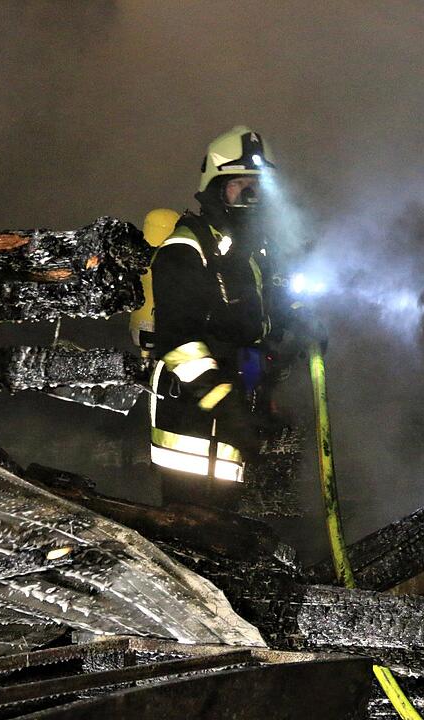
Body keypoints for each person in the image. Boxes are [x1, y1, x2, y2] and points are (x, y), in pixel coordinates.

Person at [147, 126, 277, 506]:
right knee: (184, 521)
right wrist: (225, 401)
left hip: (232, 415)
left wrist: (297, 325)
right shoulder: (186, 249)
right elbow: (178, 342)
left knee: (225, 518)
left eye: (257, 189)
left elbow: (255, 322)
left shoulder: (249, 254)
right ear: (217, 189)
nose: (251, 198)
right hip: (188, 420)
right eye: (240, 187)